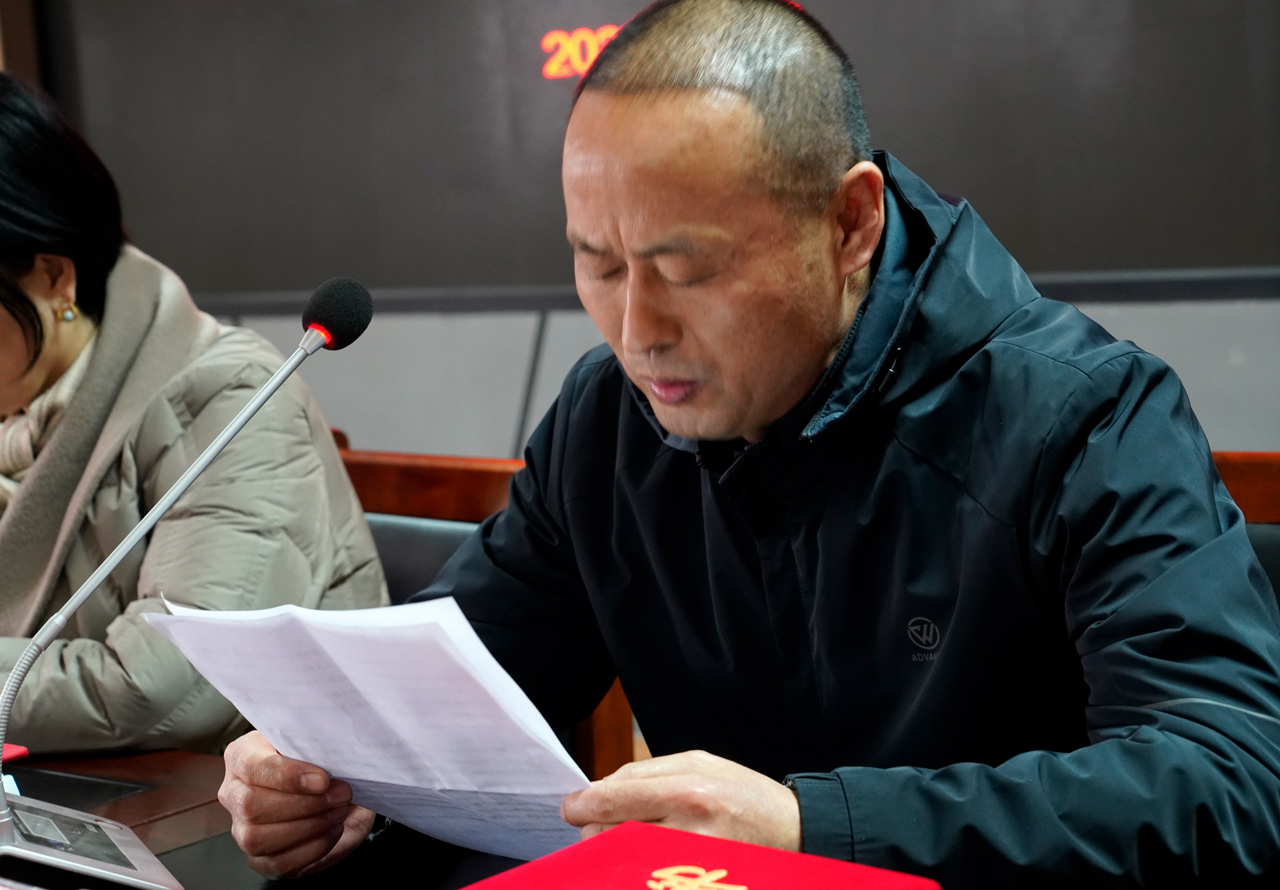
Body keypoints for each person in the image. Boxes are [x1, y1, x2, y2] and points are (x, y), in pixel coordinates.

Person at [219, 0, 1280, 885]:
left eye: (687, 271)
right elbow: (462, 693)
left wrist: (811, 827)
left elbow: (1228, 782)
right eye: (597, 263)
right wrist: (333, 777)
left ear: (850, 223)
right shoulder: (609, 420)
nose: (637, 330)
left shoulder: (1083, 415)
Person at [0, 72, 387, 753]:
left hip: (255, 798)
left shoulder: (227, 395)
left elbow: (166, 689)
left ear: (53, 276)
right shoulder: (23, 404)